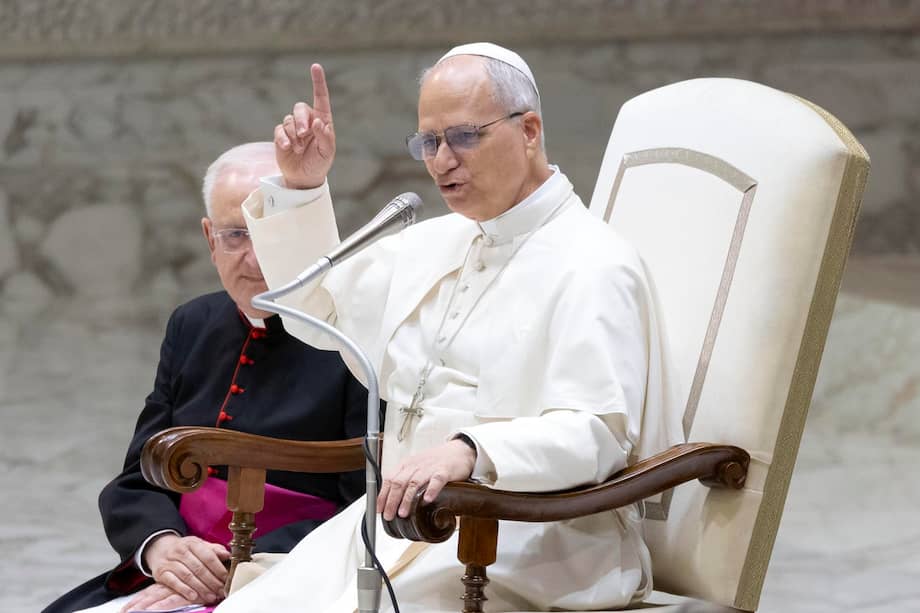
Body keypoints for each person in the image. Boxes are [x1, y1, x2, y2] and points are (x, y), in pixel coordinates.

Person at [217, 43, 681, 612]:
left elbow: (597, 433)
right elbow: (316, 312)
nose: (440, 161)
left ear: (529, 129)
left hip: (526, 541)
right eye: (428, 142)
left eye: (463, 136)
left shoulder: (594, 263)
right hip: (397, 529)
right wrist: (304, 189)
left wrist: (471, 450)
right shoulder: (438, 240)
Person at [43, 143, 371, 613]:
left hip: (295, 572)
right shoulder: (192, 324)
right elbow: (138, 477)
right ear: (208, 238)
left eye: (269, 235)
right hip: (178, 566)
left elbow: (363, 505)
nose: (254, 260)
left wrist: (235, 568)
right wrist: (163, 548)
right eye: (235, 235)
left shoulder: (354, 335)